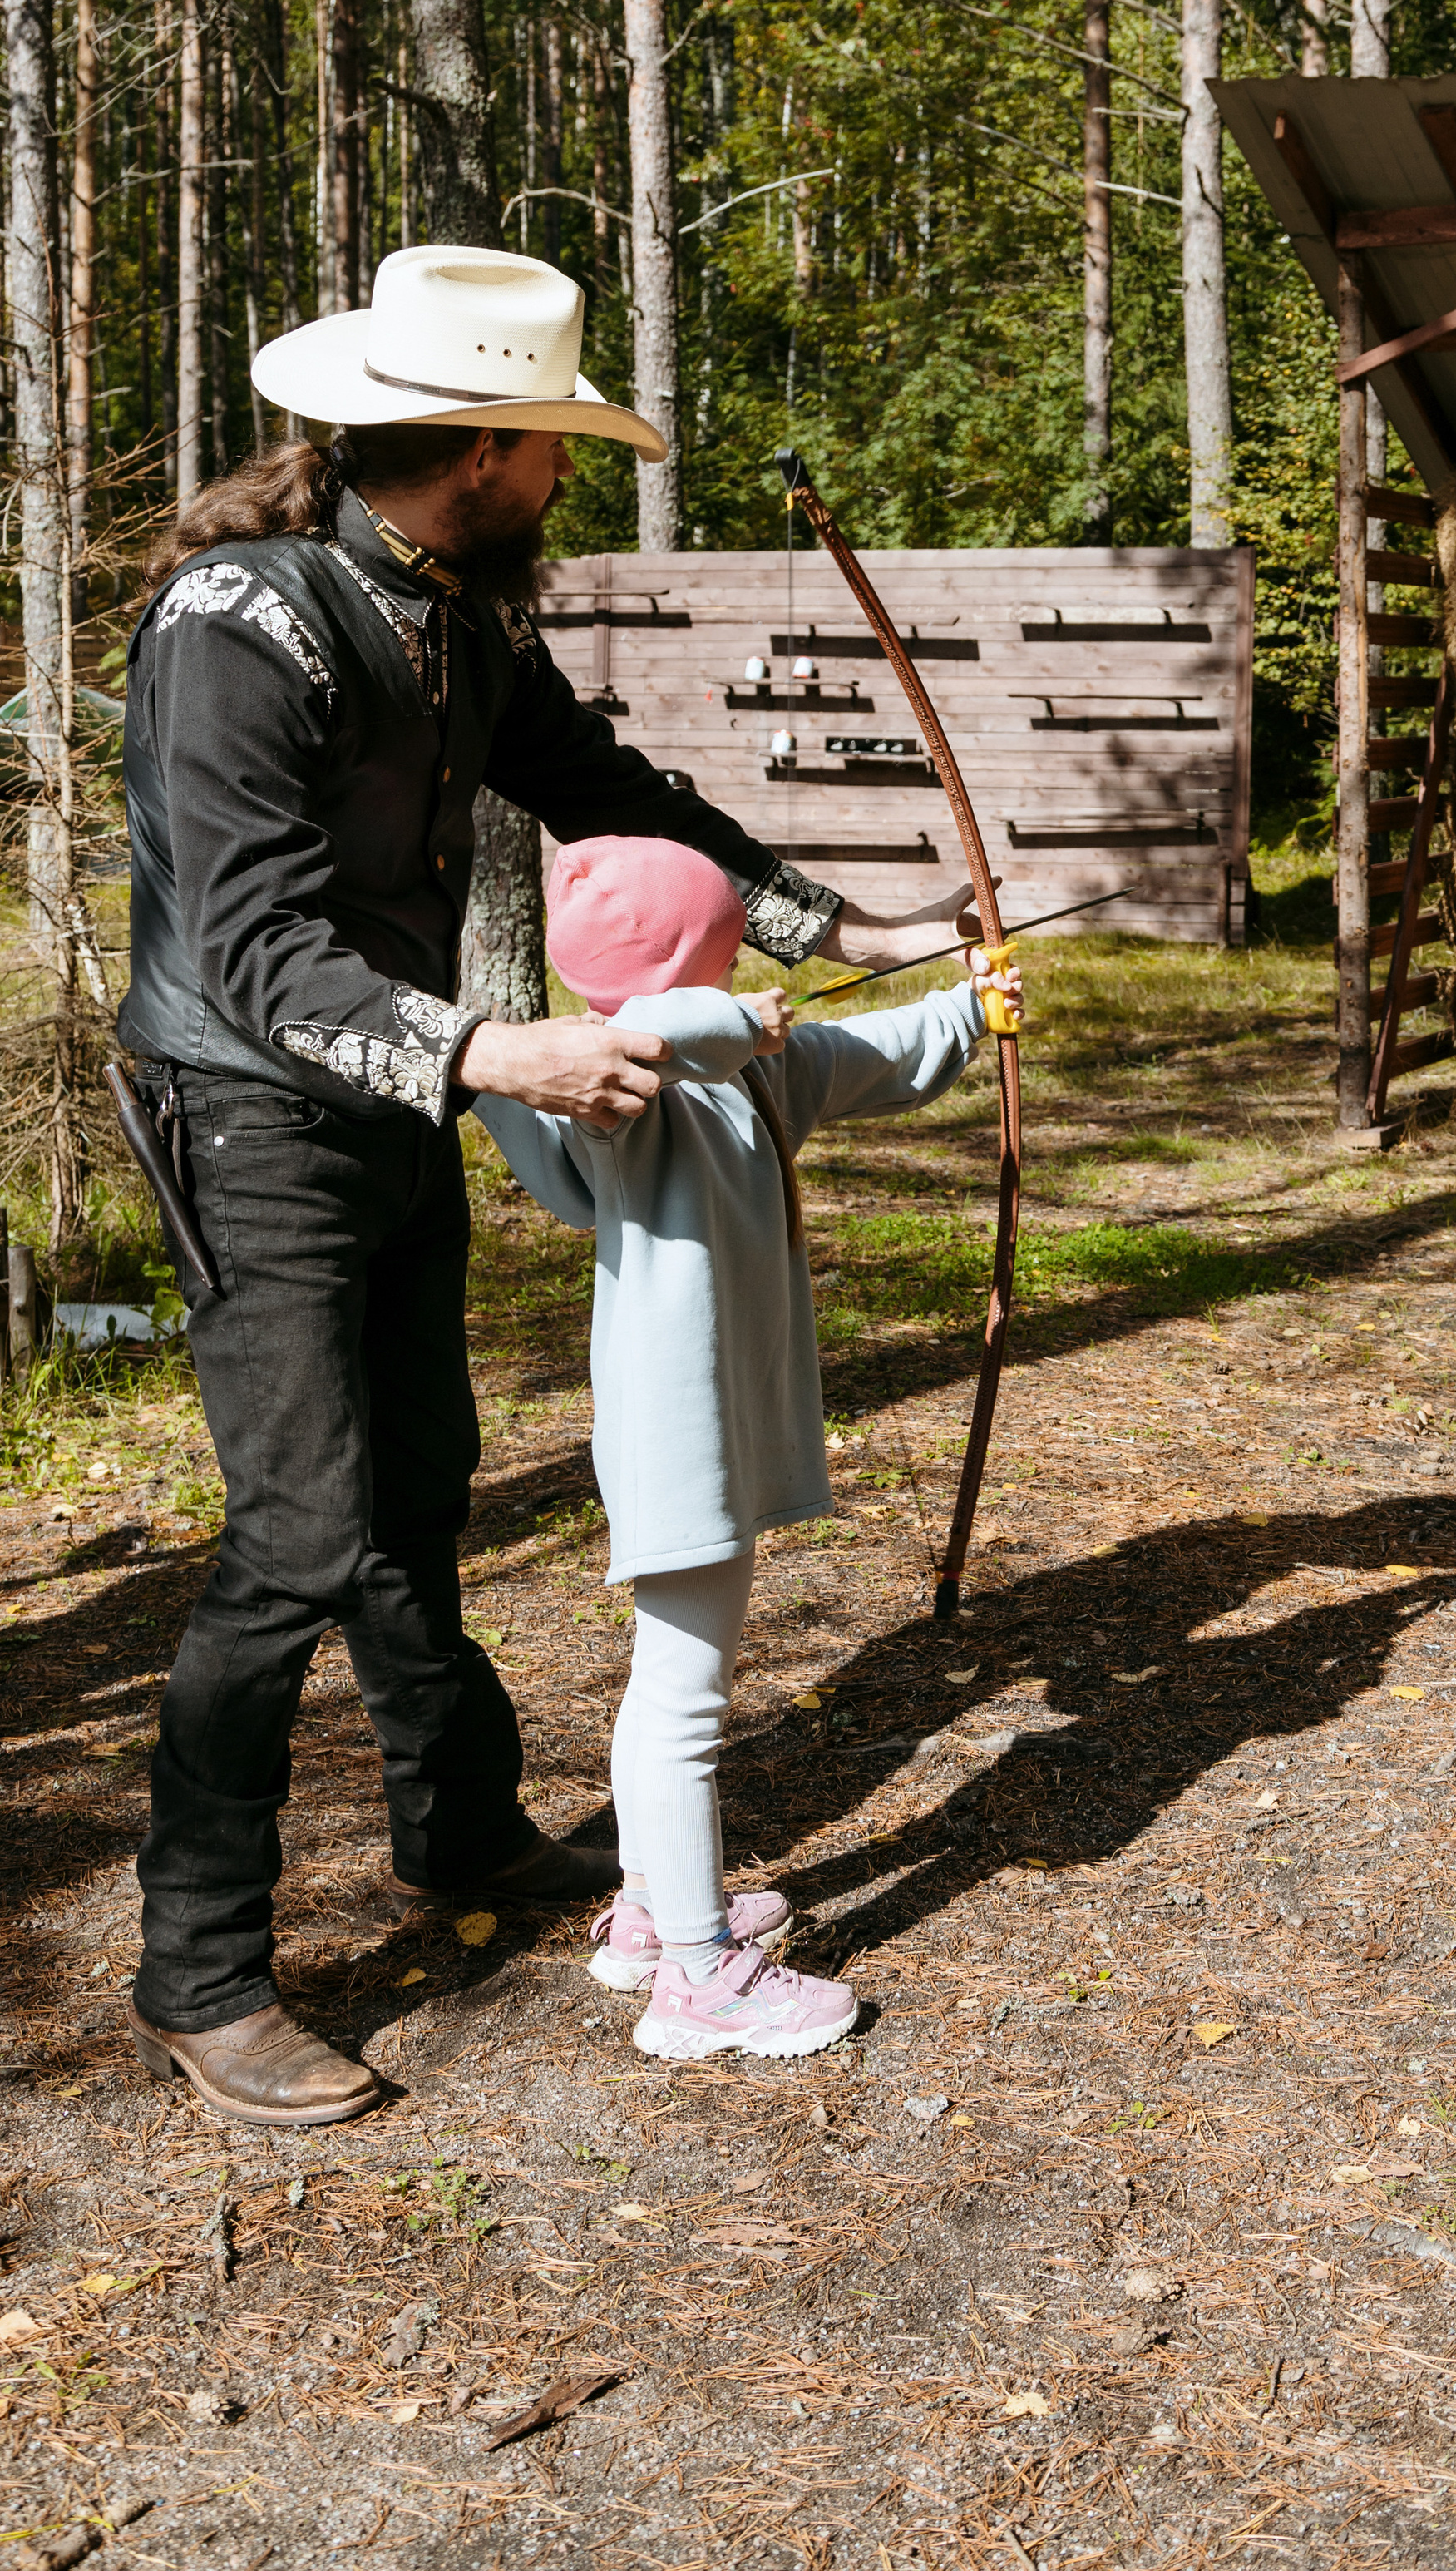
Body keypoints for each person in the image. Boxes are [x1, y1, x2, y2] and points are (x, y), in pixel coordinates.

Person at [120, 244, 965, 2128]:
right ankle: (199, 1971)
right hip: (247, 1111)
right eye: (555, 448)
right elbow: (253, 947)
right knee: (298, 1534)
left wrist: (846, 926)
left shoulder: (455, 609)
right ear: (483, 452)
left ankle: (467, 1831)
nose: (566, 481)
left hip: (389, 1101)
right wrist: (497, 1052)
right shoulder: (236, 626)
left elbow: (612, 791)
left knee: (416, 1484)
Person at [474, 833, 1022, 2061]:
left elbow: (871, 1054)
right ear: (687, 968)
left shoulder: (747, 1070)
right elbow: (659, 1042)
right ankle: (700, 1977)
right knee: (680, 1694)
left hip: (719, 1416)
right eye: (730, 942)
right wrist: (727, 1015)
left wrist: (971, 1011)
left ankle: (649, 1915)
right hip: (676, 1433)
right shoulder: (620, 1089)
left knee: (678, 1681)